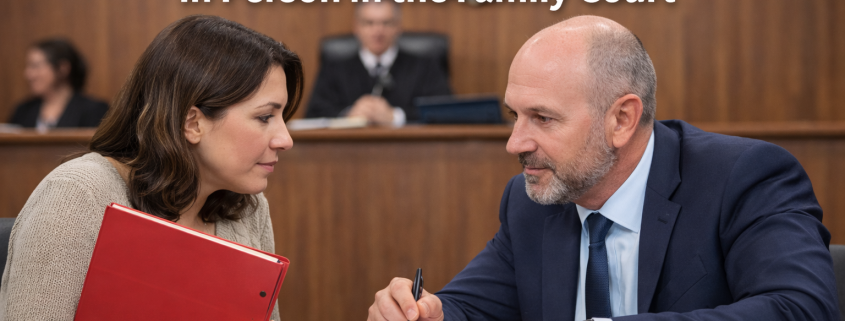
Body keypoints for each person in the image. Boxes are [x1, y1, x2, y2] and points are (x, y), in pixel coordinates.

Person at [368, 15, 839, 321]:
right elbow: (473, 307)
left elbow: (802, 307)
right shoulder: (530, 199)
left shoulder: (743, 177)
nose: (516, 142)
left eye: (543, 118)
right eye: (516, 116)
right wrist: (426, 312)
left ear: (622, 119)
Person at [0, 15, 303, 320]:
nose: (285, 139)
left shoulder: (248, 208)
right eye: (265, 117)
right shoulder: (77, 196)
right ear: (193, 123)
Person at [304, 1, 452, 126]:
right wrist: (348, 115)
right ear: (357, 27)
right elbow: (312, 115)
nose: (378, 31)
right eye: (369, 23)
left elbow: (445, 112)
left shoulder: (425, 67)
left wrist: (396, 116)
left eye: (386, 23)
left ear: (398, 26)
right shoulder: (334, 69)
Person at [8, 38, 109, 129]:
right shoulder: (23, 111)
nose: (28, 74)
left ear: (63, 68)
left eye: (36, 66)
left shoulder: (94, 110)